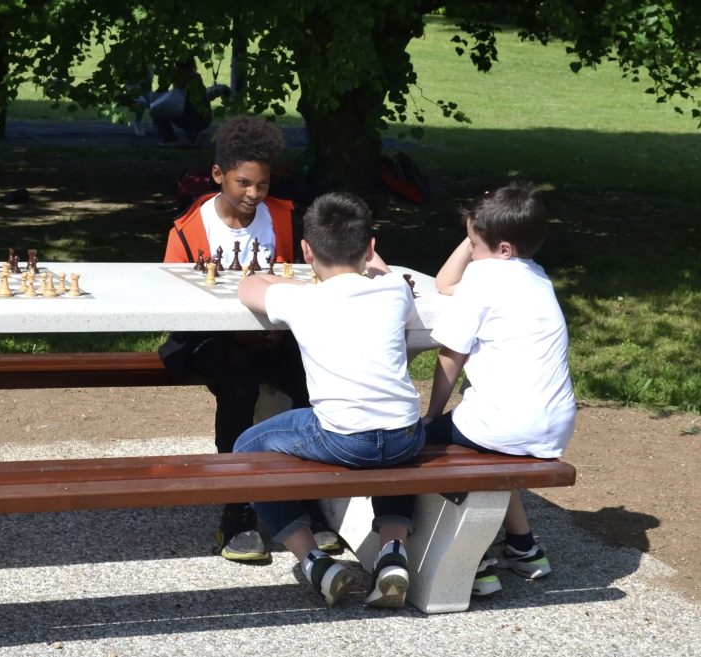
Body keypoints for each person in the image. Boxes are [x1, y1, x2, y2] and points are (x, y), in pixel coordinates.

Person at [372, 181, 577, 598]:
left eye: (473, 244)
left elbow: (451, 354)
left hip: (499, 424)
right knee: (493, 452)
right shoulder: (537, 277)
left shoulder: (485, 280)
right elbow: (448, 284)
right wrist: (475, 234)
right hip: (552, 427)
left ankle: (474, 563)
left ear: (502, 249)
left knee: (405, 445)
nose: (470, 251)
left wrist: (432, 413)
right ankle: (524, 548)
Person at [159, 115, 338, 563]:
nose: (254, 195)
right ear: (218, 175)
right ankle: (237, 508)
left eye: (262, 184)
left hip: (276, 336)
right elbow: (173, 306)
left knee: (311, 378)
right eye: (243, 184)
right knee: (238, 383)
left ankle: (307, 495)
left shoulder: (286, 216)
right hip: (211, 341)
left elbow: (311, 279)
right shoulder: (186, 229)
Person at [233, 191, 425, 607]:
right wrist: (373, 262)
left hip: (344, 439)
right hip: (408, 436)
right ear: (371, 246)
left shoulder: (303, 299)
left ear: (306, 250)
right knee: (390, 443)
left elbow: (248, 286)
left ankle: (314, 561)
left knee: (245, 447)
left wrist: (294, 280)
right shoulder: (394, 290)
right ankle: (394, 553)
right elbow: (388, 276)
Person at [150, 59, 213, 146]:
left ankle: (170, 139)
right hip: (205, 117)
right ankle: (194, 135)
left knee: (157, 112)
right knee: (190, 116)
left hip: (189, 115)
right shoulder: (196, 77)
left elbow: (161, 91)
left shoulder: (177, 77)